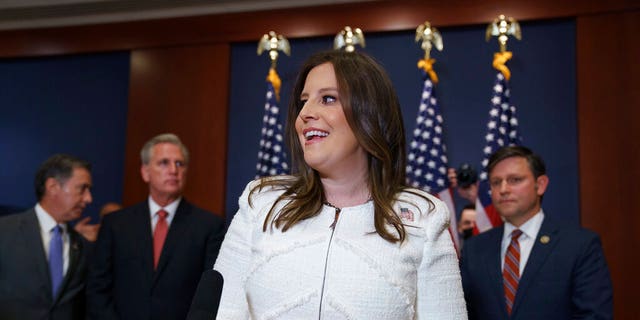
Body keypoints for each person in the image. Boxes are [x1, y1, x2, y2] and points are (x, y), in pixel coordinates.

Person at [214, 50, 467, 319]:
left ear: (370, 114)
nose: (306, 114)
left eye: (328, 99)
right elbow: (222, 311)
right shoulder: (260, 201)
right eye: (303, 101)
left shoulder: (424, 217)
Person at [460, 146, 613, 319]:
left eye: (515, 180)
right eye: (496, 182)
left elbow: (594, 316)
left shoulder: (580, 246)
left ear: (540, 185)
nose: (503, 189)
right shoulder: (474, 249)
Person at [86, 133, 226, 320]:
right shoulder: (115, 224)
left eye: (179, 164)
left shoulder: (209, 226)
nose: (173, 170)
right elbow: (97, 288)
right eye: (164, 163)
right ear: (145, 172)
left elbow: (209, 295)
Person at [0, 154, 93, 320]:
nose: (88, 198)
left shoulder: (83, 246)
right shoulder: (5, 231)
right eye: (82, 189)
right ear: (52, 186)